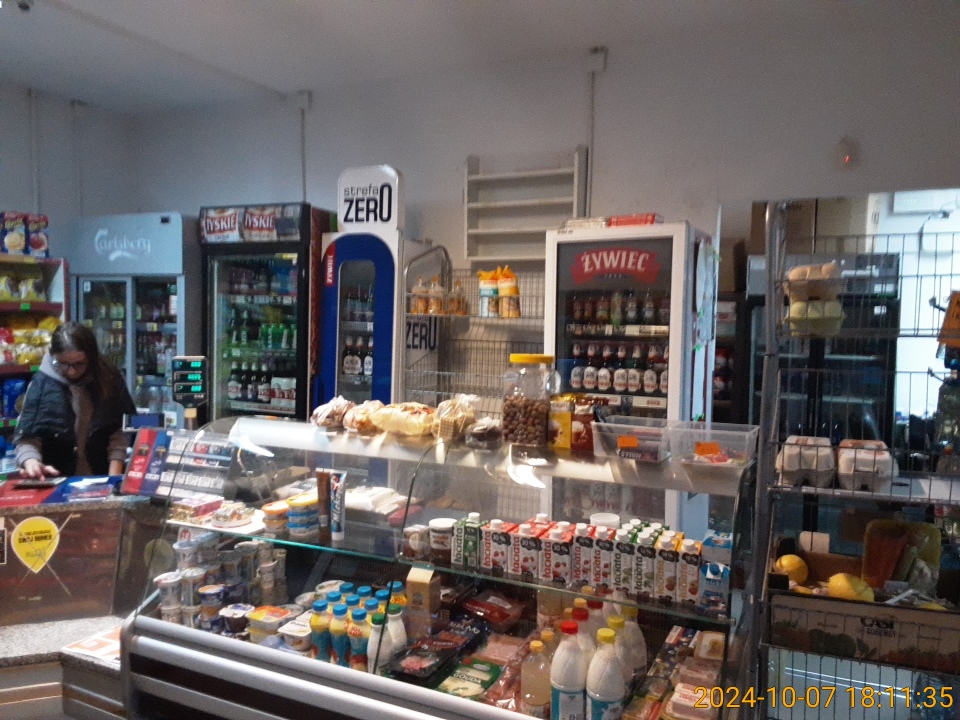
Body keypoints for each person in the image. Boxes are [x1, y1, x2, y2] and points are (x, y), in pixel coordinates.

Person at [13, 321, 137, 478]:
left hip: (100, 475)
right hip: (56, 478)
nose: (71, 371)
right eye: (63, 364)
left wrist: (113, 479)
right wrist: (31, 462)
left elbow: (120, 430)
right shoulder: (41, 385)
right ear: (52, 355)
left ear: (91, 357)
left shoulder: (109, 378)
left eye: (79, 364)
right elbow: (27, 437)